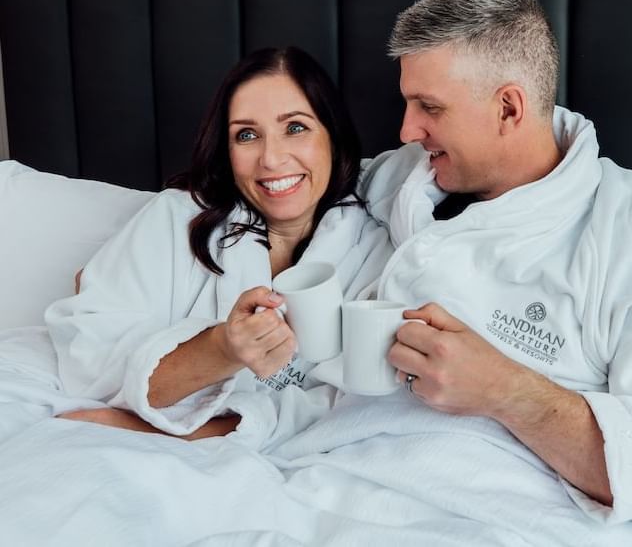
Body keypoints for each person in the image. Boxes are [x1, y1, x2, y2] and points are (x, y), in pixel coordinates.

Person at [348, 0, 632, 530]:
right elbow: (325, 183)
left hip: (495, 514)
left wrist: (508, 392)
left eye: (429, 107)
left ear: (509, 108)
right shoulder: (409, 177)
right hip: (345, 472)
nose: (407, 128)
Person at [41, 46, 392, 444]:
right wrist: (222, 348)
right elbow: (90, 366)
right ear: (226, 152)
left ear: (333, 134)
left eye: (295, 127)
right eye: (247, 135)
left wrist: (174, 432)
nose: (272, 159)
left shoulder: (373, 251)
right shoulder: (176, 219)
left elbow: (342, 407)